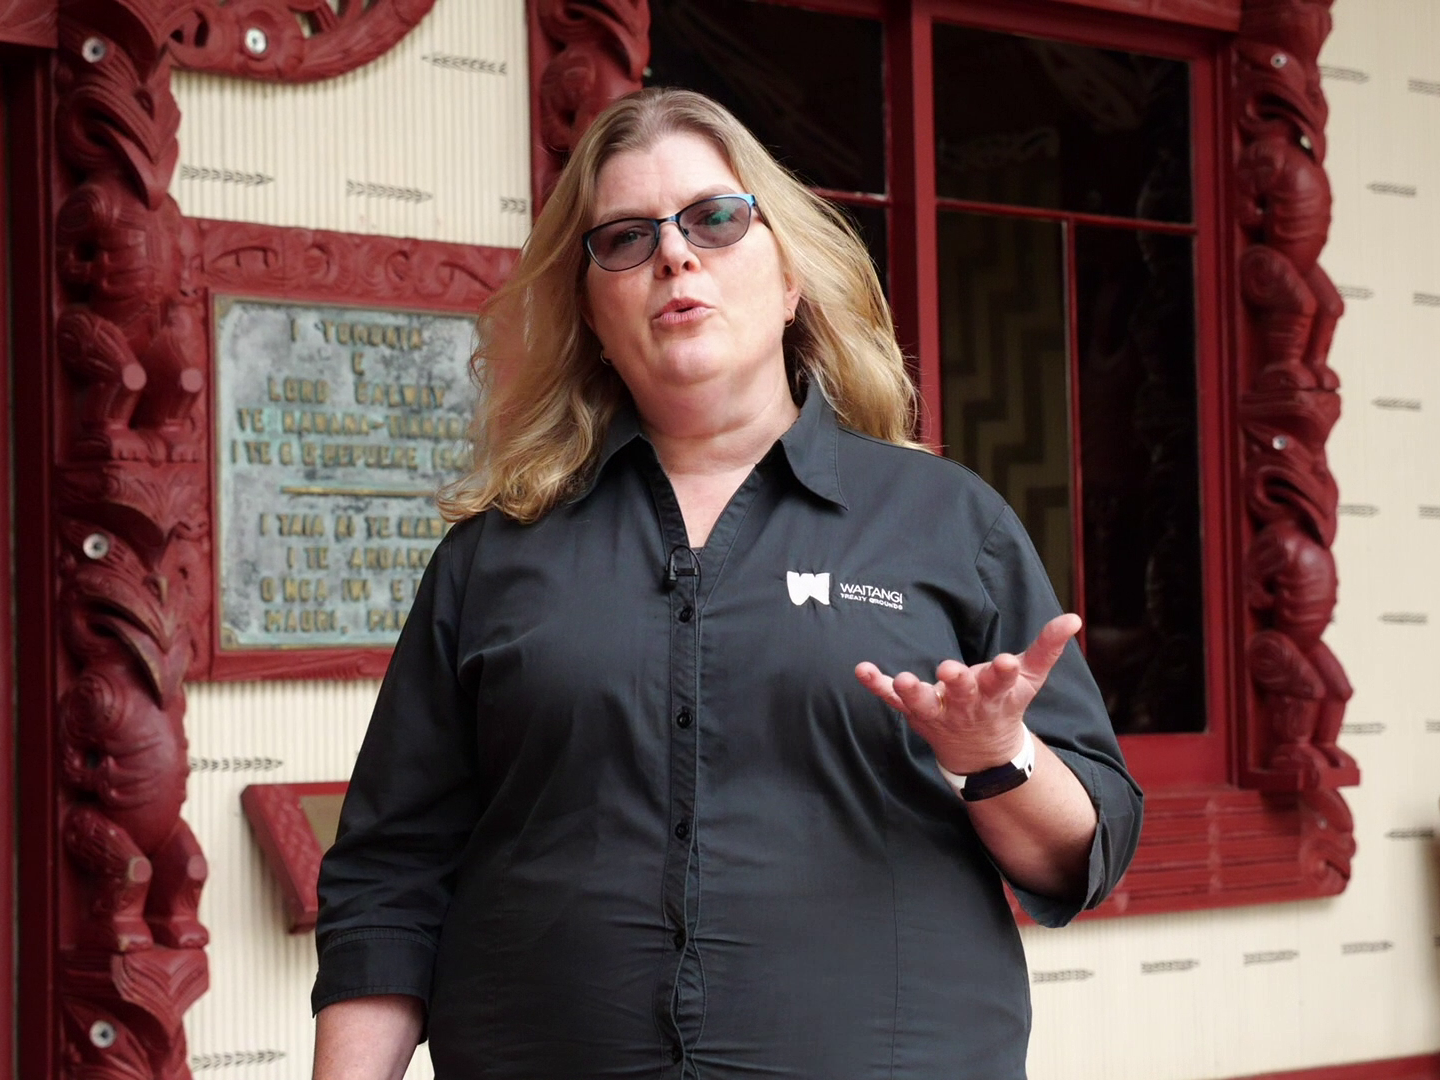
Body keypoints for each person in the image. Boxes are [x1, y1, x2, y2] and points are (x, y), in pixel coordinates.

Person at [311, 87, 1141, 1080]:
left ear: (791, 274)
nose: (674, 255)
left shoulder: (943, 525)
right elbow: (390, 874)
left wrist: (994, 755)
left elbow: (1079, 856)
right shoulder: (498, 553)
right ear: (592, 309)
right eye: (623, 237)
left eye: (715, 218)